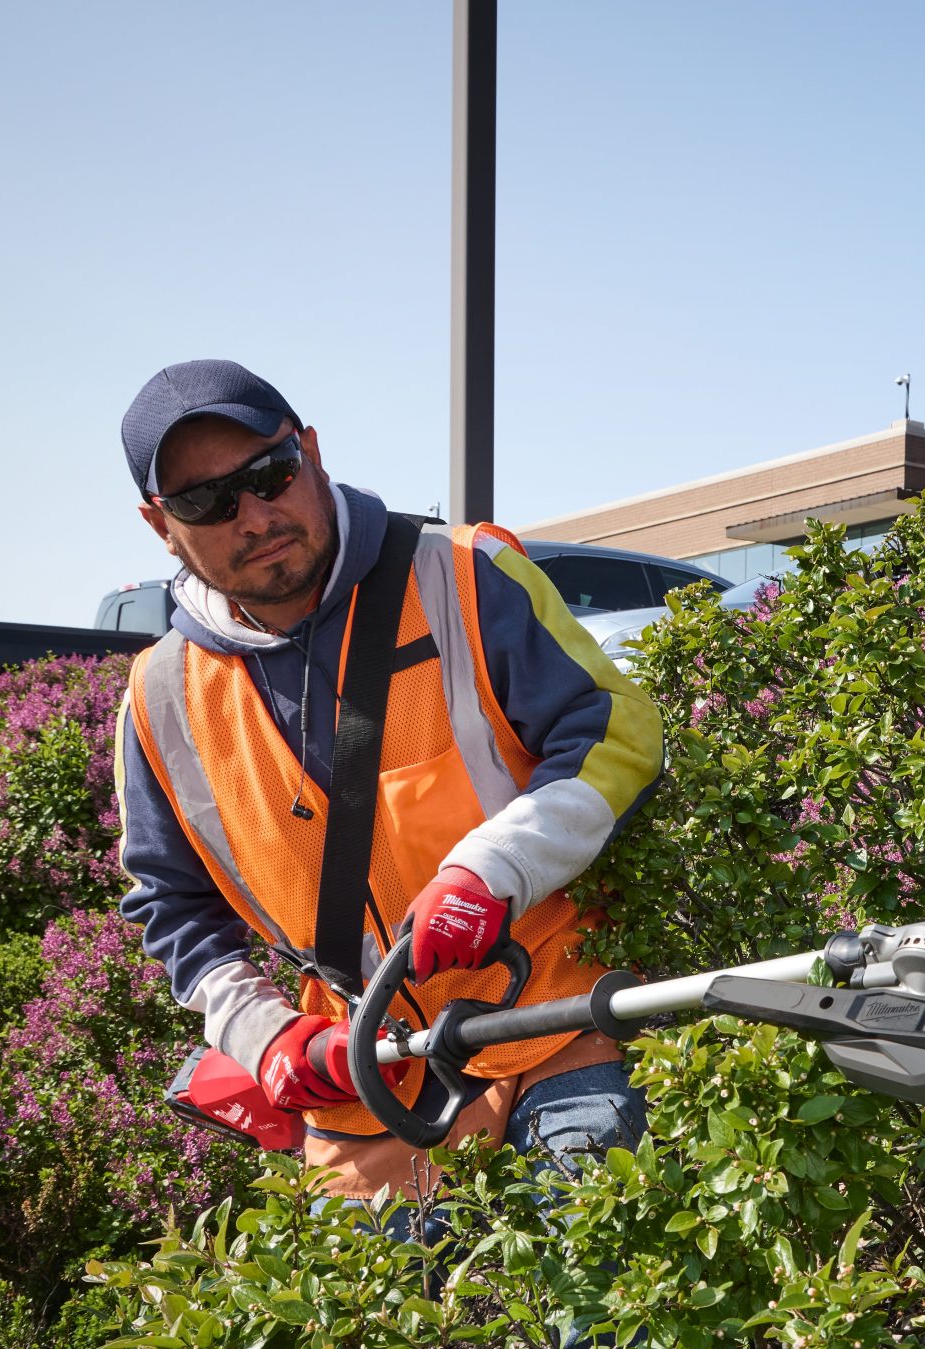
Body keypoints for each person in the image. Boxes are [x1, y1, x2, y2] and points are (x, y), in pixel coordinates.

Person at [114, 360, 663, 1233]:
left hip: (560, 1018)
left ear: (312, 453)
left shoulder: (466, 573)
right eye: (206, 502)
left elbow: (616, 732)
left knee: (595, 1339)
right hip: (366, 1085)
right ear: (160, 525)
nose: (255, 516)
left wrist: (494, 871)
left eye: (270, 474)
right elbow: (171, 908)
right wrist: (264, 1036)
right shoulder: (159, 697)